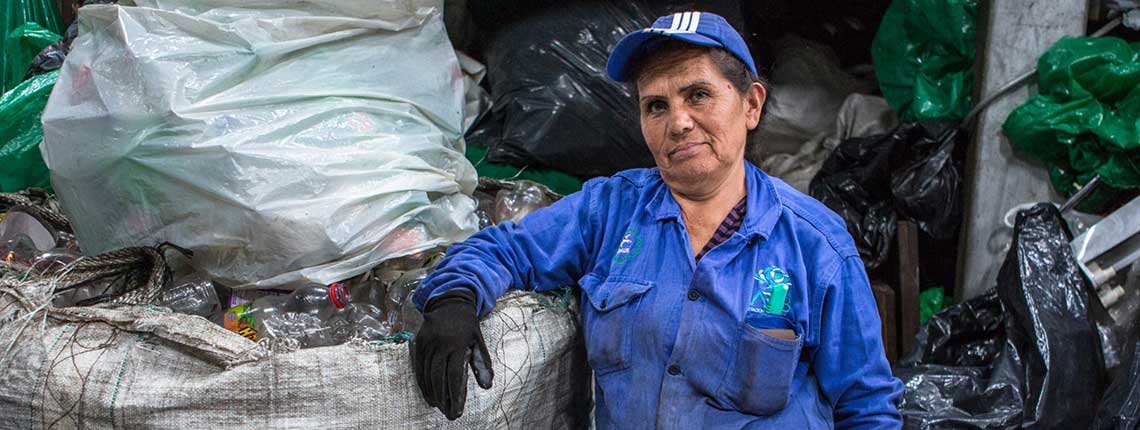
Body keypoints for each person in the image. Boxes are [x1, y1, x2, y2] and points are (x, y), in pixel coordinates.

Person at [409, 11, 904, 429]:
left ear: (751, 104)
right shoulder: (609, 210)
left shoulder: (814, 244)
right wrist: (455, 297)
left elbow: (867, 407)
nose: (679, 121)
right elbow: (506, 248)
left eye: (699, 95)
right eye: (656, 106)